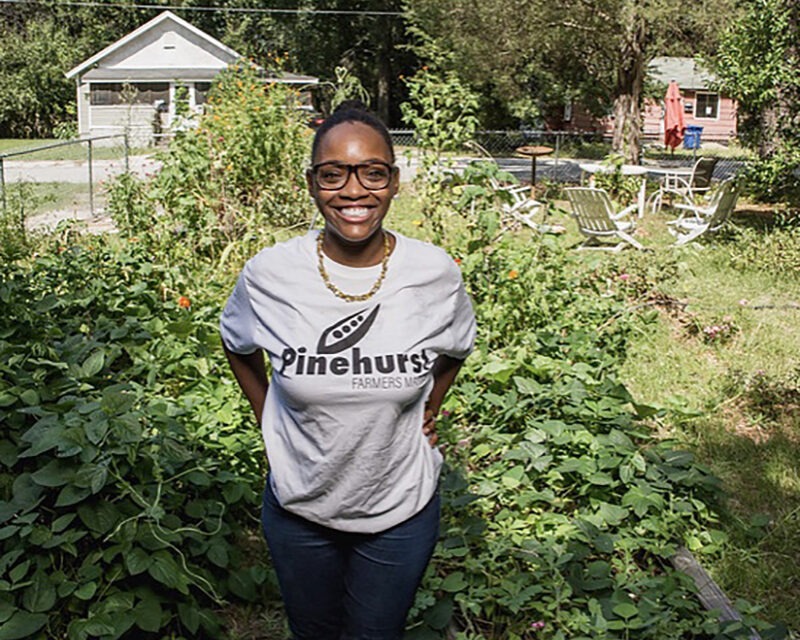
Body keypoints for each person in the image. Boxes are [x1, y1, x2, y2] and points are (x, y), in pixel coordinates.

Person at [219, 101, 476, 640]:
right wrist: (268, 416)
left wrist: (430, 406)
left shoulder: (434, 273)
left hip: (400, 510)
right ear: (313, 184)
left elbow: (455, 348)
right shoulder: (270, 275)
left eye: (372, 172)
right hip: (299, 509)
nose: (354, 191)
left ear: (395, 181)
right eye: (333, 174)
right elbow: (238, 344)